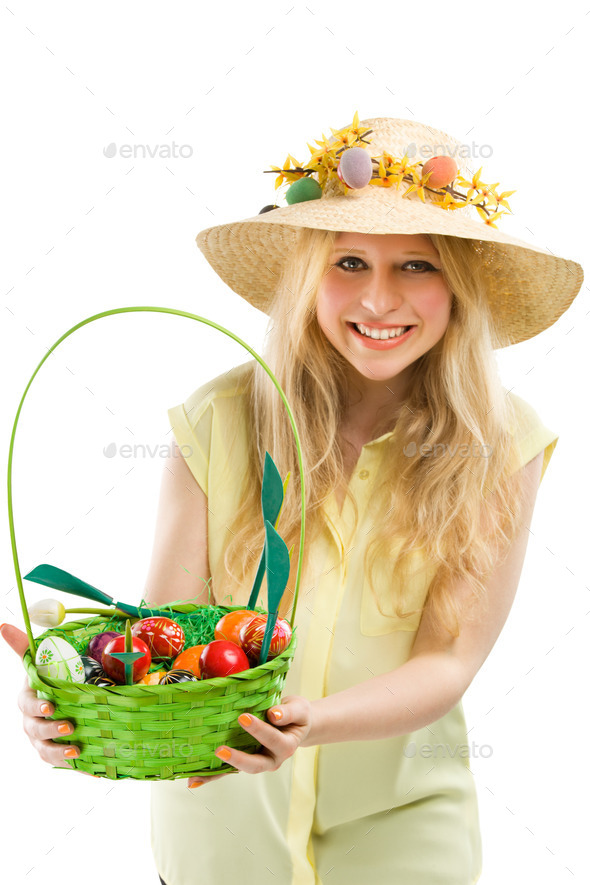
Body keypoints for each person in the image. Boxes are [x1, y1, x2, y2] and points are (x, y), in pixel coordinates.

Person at [2, 114, 584, 885]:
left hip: (403, 824)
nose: (379, 300)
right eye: (349, 260)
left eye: (417, 264)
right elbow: (169, 632)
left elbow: (448, 656)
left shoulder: (500, 444)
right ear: (308, 276)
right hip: (221, 824)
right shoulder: (219, 421)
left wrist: (312, 724)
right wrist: (80, 698)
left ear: (460, 286)